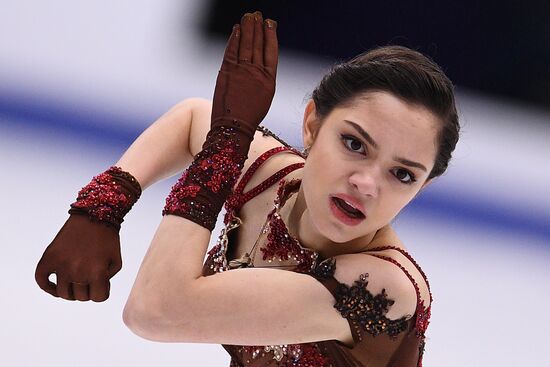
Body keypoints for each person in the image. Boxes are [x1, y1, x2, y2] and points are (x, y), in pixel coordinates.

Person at [35, 10, 459, 367]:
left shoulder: (380, 287)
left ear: (423, 186)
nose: (366, 184)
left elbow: (155, 311)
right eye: (354, 144)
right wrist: (105, 203)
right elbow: (191, 118)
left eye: (403, 174)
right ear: (311, 125)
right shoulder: (272, 178)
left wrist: (228, 140)